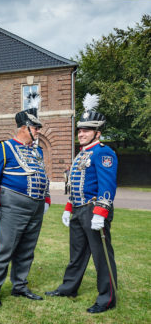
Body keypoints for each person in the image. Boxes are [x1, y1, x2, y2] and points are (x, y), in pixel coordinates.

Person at [45, 94, 118, 314]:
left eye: (86, 130)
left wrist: (101, 212)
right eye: (80, 130)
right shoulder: (80, 155)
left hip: (94, 211)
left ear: (98, 132)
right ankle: (69, 288)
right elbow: (75, 186)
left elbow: (107, 185)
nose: (81, 134)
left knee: (101, 256)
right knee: (76, 254)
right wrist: (69, 208)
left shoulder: (103, 152)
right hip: (78, 210)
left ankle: (107, 298)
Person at [0, 104, 51, 308]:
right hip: (13, 204)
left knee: (27, 249)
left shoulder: (37, 151)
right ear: (24, 127)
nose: (38, 131)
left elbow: (41, 175)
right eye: (36, 127)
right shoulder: (4, 147)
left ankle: (20, 285)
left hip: (36, 205)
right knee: (5, 248)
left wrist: (46, 199)